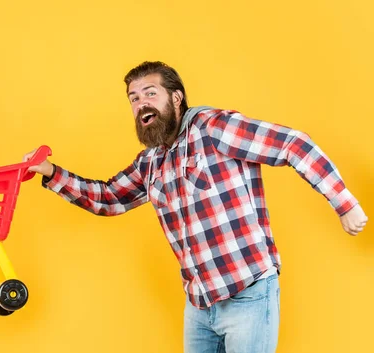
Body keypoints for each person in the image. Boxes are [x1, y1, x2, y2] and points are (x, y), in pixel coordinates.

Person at [22, 61, 368, 353]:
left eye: (150, 93)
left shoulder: (213, 128)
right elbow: (108, 198)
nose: (141, 104)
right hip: (199, 304)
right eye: (133, 98)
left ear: (176, 97)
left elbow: (293, 145)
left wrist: (344, 203)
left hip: (247, 294)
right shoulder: (151, 161)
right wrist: (52, 174)